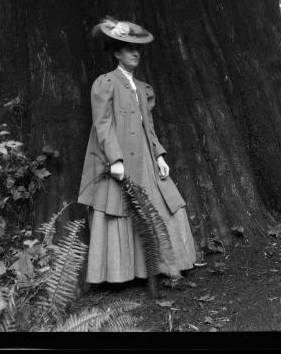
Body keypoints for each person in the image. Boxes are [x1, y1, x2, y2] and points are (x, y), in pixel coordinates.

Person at [78, 17, 197, 297]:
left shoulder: (142, 87)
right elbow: (103, 124)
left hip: (145, 156)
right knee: (119, 209)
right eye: (128, 49)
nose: (135, 53)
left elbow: (149, 127)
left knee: (165, 204)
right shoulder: (106, 83)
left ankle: (167, 266)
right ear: (117, 53)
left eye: (137, 49)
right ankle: (123, 274)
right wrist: (115, 159)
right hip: (118, 157)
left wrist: (159, 156)